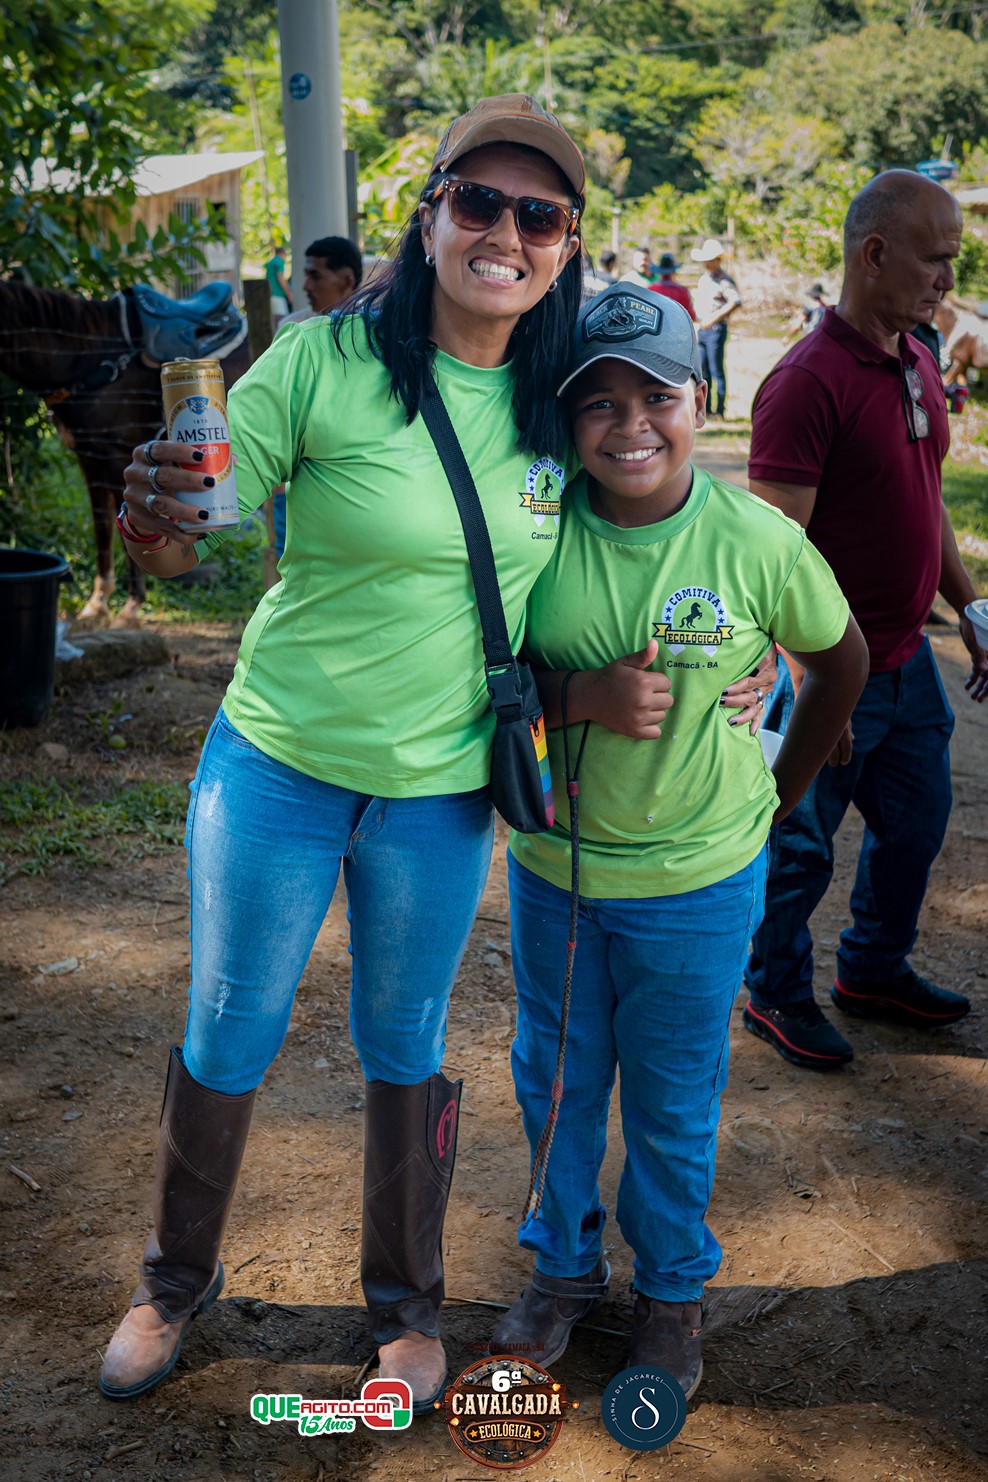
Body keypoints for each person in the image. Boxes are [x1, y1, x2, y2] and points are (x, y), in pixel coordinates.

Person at [98, 94, 586, 1413]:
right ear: (429, 218)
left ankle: (405, 1312)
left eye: (538, 214)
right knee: (232, 1023)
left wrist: (742, 650)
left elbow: (636, 548)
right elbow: (193, 528)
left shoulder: (566, 401)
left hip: (441, 795)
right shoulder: (322, 360)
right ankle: (169, 1285)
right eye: (477, 201)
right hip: (279, 763)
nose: (504, 232)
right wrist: (155, 521)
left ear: (564, 247)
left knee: (403, 1037)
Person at [489, 285, 868, 1398]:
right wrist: (580, 696)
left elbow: (840, 660)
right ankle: (561, 1270)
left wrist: (777, 800)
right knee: (555, 1082)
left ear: (699, 398)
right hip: (556, 874)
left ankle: (670, 1292)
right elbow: (483, 673)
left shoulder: (755, 539)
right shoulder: (534, 526)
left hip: (699, 885)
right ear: (564, 420)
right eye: (597, 403)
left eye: (655, 396)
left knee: (669, 1100)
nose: (630, 426)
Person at [742, 170, 988, 1072]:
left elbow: (926, 504)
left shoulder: (916, 357)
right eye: (935, 259)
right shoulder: (806, 383)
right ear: (874, 254)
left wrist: (969, 604)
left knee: (917, 824)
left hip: (908, 662)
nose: (947, 280)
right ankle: (774, 990)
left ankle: (873, 970)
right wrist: (811, 676)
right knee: (796, 846)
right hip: (831, 670)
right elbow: (772, 554)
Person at [273, 237, 365, 557]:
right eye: (305, 275)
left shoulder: (373, 334)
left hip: (353, 480)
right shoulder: (293, 329)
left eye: (316, 276)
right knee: (292, 556)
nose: (305, 286)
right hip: (295, 474)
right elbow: (279, 406)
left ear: (347, 280)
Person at [691, 239, 741, 419]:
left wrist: (715, 317)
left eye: (710, 259)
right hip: (702, 327)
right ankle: (705, 408)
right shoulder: (704, 279)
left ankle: (719, 410)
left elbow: (735, 301)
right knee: (703, 370)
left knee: (716, 369)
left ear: (718, 260)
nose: (707, 263)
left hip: (716, 328)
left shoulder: (724, 280)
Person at [279, 235, 363, 326]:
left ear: (347, 282)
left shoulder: (369, 327)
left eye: (316, 276)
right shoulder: (293, 327)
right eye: (307, 276)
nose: (306, 287)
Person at [649, 251, 695, 320]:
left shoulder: (651, 290)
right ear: (674, 272)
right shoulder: (682, 291)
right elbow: (691, 316)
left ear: (660, 272)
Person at [265, 240, 293, 324]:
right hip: (277, 295)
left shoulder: (271, 262)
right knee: (283, 320)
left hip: (270, 293)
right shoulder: (279, 262)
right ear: (282, 253)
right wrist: (289, 295)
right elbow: (280, 278)